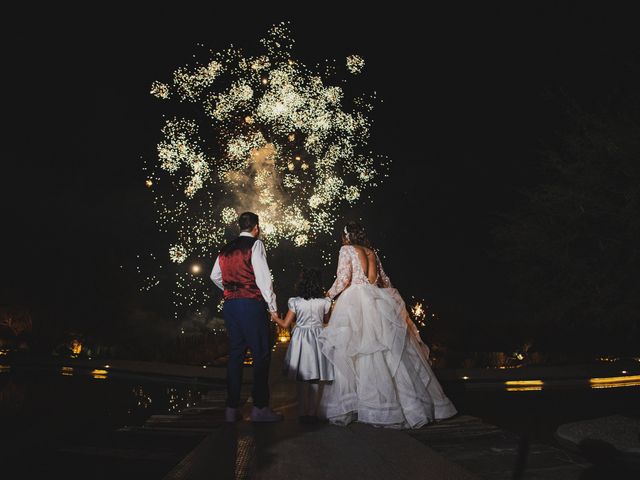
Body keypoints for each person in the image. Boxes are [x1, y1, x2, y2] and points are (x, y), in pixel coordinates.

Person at [318, 220, 457, 428]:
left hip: (355, 300)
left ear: (346, 236)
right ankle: (406, 405)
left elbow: (343, 279)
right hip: (378, 300)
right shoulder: (372, 252)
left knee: (359, 351)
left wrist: (327, 296)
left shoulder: (346, 249)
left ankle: (367, 405)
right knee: (390, 353)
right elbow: (385, 281)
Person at [211, 211, 283, 422]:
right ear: (256, 227)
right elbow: (263, 279)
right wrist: (272, 307)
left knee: (236, 355)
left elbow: (214, 275)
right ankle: (260, 408)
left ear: (239, 227)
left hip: (231, 305)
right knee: (261, 354)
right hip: (251, 304)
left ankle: (231, 409)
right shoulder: (256, 245)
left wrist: (230, 290)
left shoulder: (225, 249)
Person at [272, 267, 334, 423]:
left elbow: (285, 324)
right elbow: (326, 321)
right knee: (315, 378)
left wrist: (274, 317)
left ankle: (302, 413)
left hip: (302, 339)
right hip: (319, 336)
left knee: (302, 377)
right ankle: (312, 413)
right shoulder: (325, 302)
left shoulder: (295, 302)